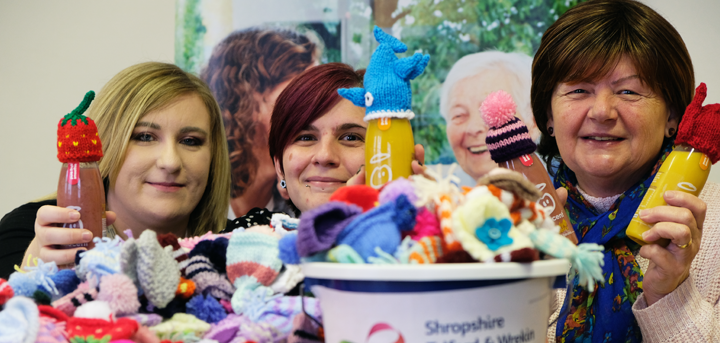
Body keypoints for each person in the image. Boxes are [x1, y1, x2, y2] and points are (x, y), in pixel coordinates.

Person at [531, 0, 719, 341]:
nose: (602, 111)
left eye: (628, 91)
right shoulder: (509, 221)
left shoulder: (712, 229)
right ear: (548, 116)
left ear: (672, 117)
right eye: (579, 90)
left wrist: (671, 294)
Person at [0, 62, 232, 279]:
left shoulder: (239, 245)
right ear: (103, 145)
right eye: (144, 137)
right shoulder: (27, 232)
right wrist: (33, 272)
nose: (170, 162)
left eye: (190, 141)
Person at [201, 27, 320, 218]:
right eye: (300, 95)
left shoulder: (303, 199)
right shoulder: (193, 193)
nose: (317, 111)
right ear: (247, 99)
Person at [440, 51, 538, 181]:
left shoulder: (563, 193)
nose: (473, 128)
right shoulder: (445, 194)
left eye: (492, 112)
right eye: (459, 115)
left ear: (533, 122)